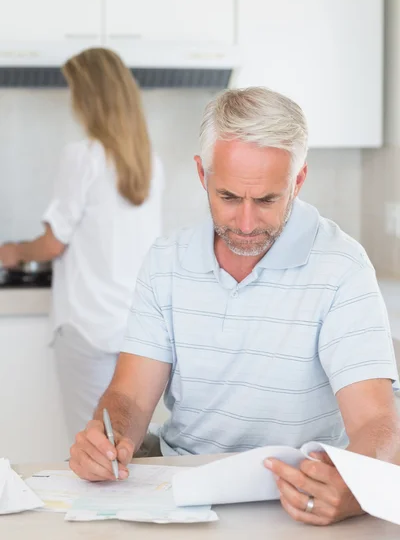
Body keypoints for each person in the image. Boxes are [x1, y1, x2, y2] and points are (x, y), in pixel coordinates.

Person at [69, 87, 399, 526]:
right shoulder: (167, 261)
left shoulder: (342, 266)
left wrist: (356, 485)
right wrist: (106, 437)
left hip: (299, 492)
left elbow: (378, 420)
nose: (246, 224)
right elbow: (129, 395)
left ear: (298, 181)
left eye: (267, 200)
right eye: (228, 197)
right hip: (184, 485)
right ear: (202, 174)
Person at [0, 48, 164, 443]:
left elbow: (53, 244)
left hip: (87, 326)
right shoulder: (148, 163)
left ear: (89, 98)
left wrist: (15, 251)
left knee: (91, 445)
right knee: (128, 444)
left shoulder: (83, 157)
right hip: (135, 329)